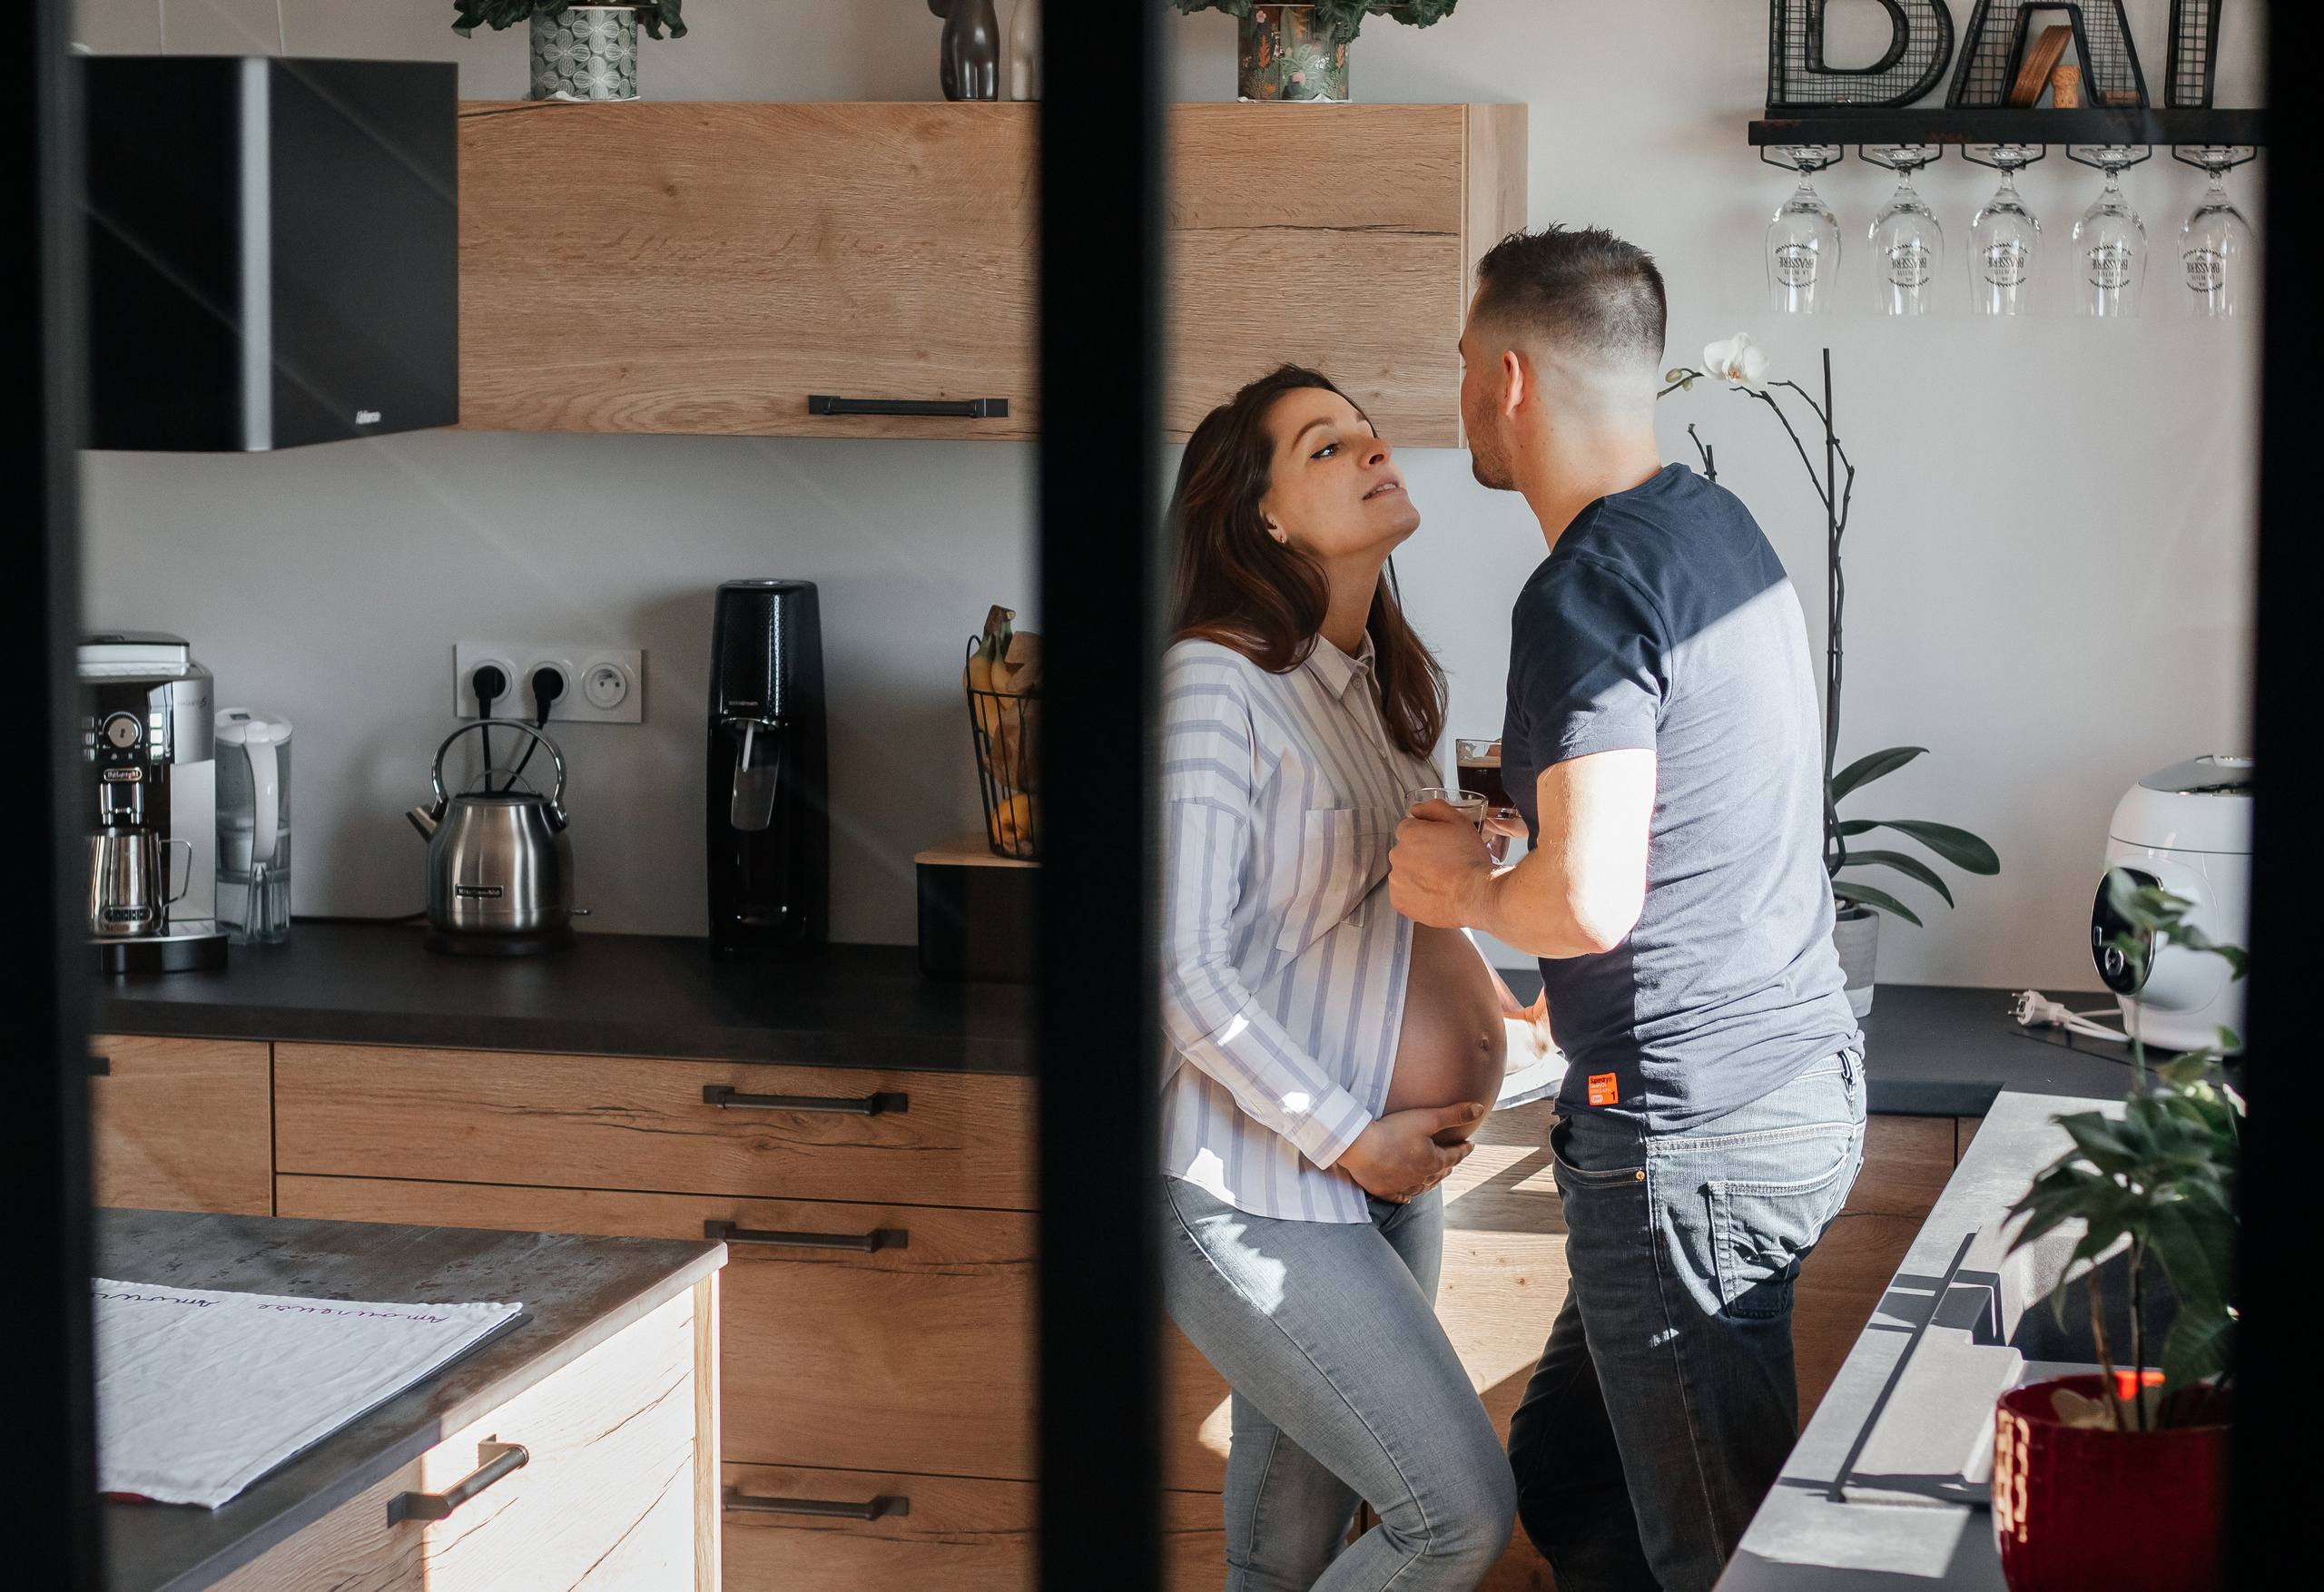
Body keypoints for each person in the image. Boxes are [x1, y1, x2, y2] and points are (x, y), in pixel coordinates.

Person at [1388, 227, 1866, 1592]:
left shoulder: (1583, 585)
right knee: (1572, 1470)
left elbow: (1590, 895)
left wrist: (1461, 889)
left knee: (1719, 1555)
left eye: (1468, 366)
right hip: (1793, 1078)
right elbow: (1693, 817)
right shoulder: (1712, 523)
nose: (1465, 396)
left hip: (1687, 1135)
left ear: (1513, 380)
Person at [1159, 364, 1521, 1591]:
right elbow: (1185, 969)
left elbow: (1379, 919)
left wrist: (1496, 1003)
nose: (1372, 450)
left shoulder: (1389, 693)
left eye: (1367, 433)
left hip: (1382, 1181)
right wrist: (1351, 1135)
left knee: (1292, 1547)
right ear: (1260, 513)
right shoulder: (1217, 683)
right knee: (1454, 1518)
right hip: (1254, 1182)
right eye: (1324, 445)